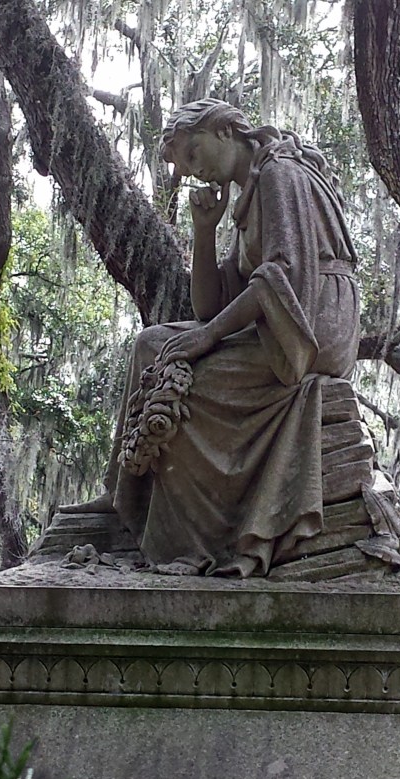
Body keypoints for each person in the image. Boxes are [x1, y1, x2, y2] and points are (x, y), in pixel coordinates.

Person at [63, 98, 359, 577]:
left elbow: (281, 276)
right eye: (184, 166)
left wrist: (207, 340)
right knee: (151, 343)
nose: (193, 171)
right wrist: (205, 231)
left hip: (311, 328)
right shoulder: (250, 193)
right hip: (280, 321)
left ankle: (186, 532)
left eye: (193, 154)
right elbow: (210, 308)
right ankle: (124, 491)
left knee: (186, 374)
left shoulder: (280, 174)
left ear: (224, 130)